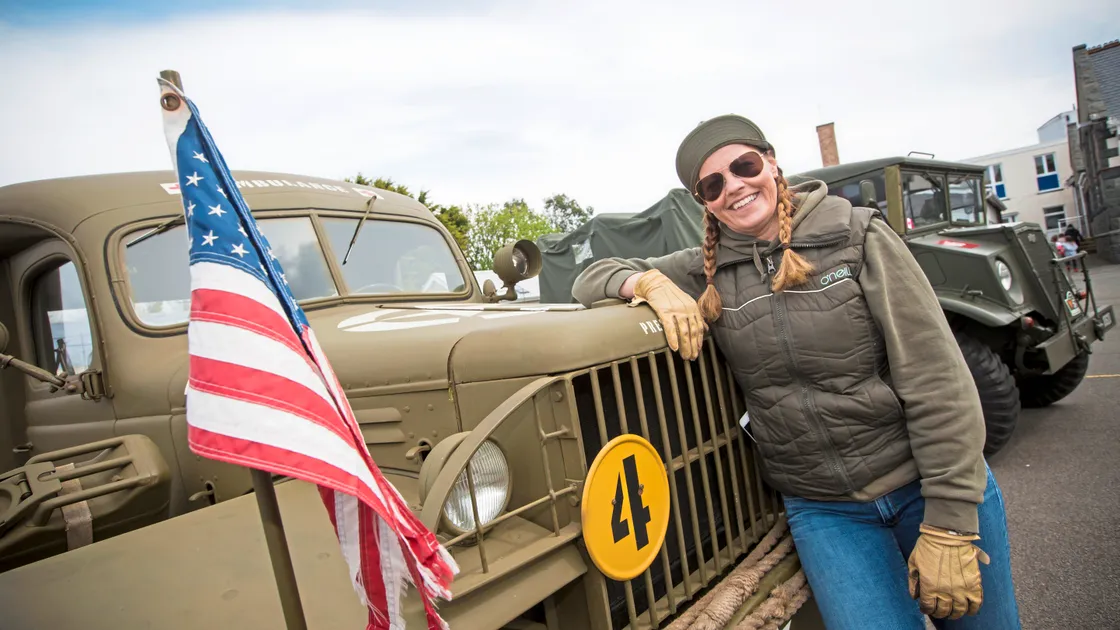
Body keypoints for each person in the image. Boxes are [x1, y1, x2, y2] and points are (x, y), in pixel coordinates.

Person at [572, 114, 1021, 629]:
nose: (734, 187)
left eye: (744, 165)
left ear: (772, 162)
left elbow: (937, 378)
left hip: (925, 485)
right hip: (828, 513)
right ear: (705, 202)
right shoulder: (705, 270)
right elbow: (590, 277)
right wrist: (648, 283)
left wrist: (950, 523)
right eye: (712, 184)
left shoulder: (855, 234)